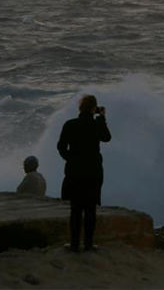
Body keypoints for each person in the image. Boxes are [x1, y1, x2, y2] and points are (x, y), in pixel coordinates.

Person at [57, 95, 111, 252]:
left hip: (74, 172)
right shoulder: (96, 124)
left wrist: (70, 159)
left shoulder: (70, 124)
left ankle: (74, 244)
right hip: (93, 172)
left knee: (75, 209)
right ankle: (88, 244)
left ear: (80, 108)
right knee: (90, 209)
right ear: (94, 108)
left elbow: (61, 146)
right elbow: (107, 138)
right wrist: (102, 118)